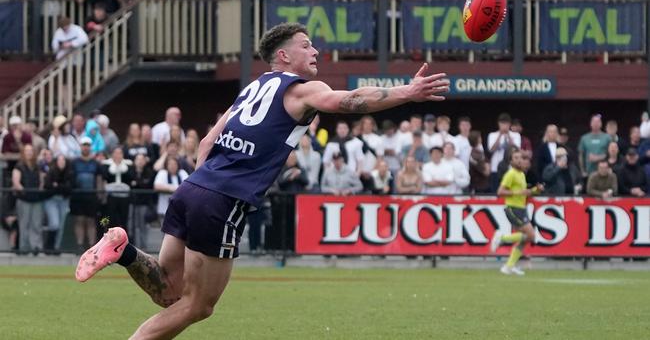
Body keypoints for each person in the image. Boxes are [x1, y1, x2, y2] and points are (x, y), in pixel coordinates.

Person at [75, 22, 449, 339]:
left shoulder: (252, 89)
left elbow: (206, 142)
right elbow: (349, 101)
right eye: (306, 46)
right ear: (284, 56)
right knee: (198, 306)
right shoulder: (300, 89)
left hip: (192, 189)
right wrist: (407, 92)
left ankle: (122, 248)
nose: (315, 51)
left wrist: (202, 185)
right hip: (223, 200)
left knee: (167, 292)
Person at [490, 149, 544, 276]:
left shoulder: (521, 174)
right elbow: (500, 192)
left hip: (521, 208)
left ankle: (508, 266)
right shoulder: (511, 174)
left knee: (525, 239)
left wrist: (536, 190)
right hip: (513, 208)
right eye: (516, 158)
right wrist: (518, 193)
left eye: (521, 158)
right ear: (511, 161)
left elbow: (525, 192)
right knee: (531, 236)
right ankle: (501, 238)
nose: (520, 160)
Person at [70, 136, 102, 252]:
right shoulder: (74, 163)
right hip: (78, 196)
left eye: (88, 145)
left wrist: (99, 194)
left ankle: (91, 246)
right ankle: (79, 245)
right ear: (81, 147)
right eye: (84, 145)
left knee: (91, 221)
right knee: (79, 220)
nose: (86, 147)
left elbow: (99, 179)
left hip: (91, 196)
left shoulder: (95, 163)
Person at [13, 144, 46, 255]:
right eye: (27, 151)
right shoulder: (19, 166)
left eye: (31, 151)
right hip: (24, 199)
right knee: (24, 224)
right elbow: (16, 182)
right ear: (23, 153)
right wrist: (25, 192)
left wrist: (39, 190)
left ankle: (36, 247)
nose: (29, 153)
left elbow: (42, 180)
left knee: (36, 225)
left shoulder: (37, 166)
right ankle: (24, 248)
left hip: (36, 199)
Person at [43, 154, 73, 253]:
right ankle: (48, 246)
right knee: (54, 224)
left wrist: (57, 185)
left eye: (63, 160)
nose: (61, 162)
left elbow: (69, 188)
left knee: (60, 226)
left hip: (63, 200)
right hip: (51, 200)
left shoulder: (69, 172)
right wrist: (59, 187)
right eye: (59, 160)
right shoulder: (51, 171)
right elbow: (47, 185)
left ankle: (56, 248)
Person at [487, 113, 521, 192]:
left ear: (509, 124)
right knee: (496, 190)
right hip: (495, 168)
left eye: (506, 123)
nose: (504, 126)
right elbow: (491, 149)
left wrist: (508, 136)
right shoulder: (492, 135)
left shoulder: (516, 135)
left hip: (511, 168)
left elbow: (516, 149)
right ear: (499, 124)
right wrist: (500, 135)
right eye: (502, 123)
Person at [101, 147, 134, 229]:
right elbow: (105, 177)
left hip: (124, 196)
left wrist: (121, 167)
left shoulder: (128, 164)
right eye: (116, 153)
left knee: (123, 220)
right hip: (111, 196)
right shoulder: (106, 164)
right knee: (110, 219)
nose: (118, 155)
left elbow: (130, 177)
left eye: (120, 153)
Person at [129, 154, 156, 248]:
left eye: (142, 159)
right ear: (134, 161)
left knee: (142, 226)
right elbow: (130, 183)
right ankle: (133, 246)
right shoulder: (130, 171)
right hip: (132, 203)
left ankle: (143, 247)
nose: (140, 161)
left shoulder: (149, 172)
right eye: (138, 159)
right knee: (132, 225)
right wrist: (139, 183)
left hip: (144, 203)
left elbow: (147, 185)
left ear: (145, 161)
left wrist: (136, 183)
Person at [578, 114, 611, 180]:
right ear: (591, 124)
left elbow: (611, 154)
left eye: (598, 122)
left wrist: (598, 158)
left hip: (604, 172)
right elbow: (581, 155)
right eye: (594, 122)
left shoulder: (607, 137)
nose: (596, 124)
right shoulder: (584, 138)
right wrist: (582, 171)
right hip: (589, 173)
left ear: (601, 124)